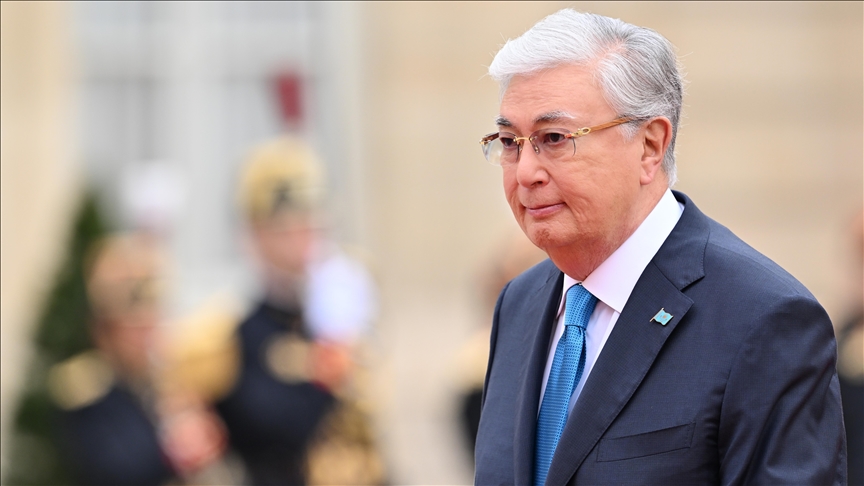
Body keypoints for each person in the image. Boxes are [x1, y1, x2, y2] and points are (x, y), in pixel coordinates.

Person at [473, 9, 846, 485]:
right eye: (510, 141)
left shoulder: (763, 318)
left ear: (650, 145)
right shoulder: (519, 303)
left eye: (554, 138)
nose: (526, 172)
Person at [214, 136, 384, 485]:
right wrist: (327, 366)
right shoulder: (233, 335)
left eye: (311, 224)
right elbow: (271, 426)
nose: (303, 238)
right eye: (286, 229)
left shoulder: (333, 316)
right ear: (256, 234)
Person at [49, 233, 227, 485]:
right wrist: (175, 443)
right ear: (107, 332)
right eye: (136, 328)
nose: (149, 336)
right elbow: (120, 467)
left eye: (152, 322)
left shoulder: (175, 374)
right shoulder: (89, 392)